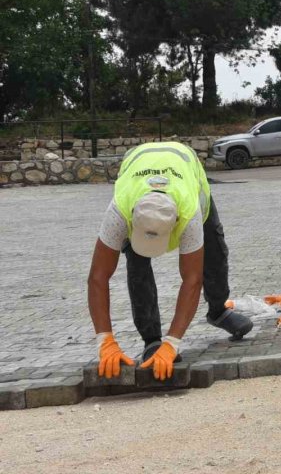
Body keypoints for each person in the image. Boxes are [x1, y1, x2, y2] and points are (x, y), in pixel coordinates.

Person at [87, 141, 253, 381]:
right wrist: (105, 340)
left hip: (185, 171)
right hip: (139, 172)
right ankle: (151, 340)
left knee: (214, 254)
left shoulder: (189, 212)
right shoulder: (121, 210)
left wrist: (173, 342)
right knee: (137, 266)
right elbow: (98, 276)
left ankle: (218, 310)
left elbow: (192, 279)